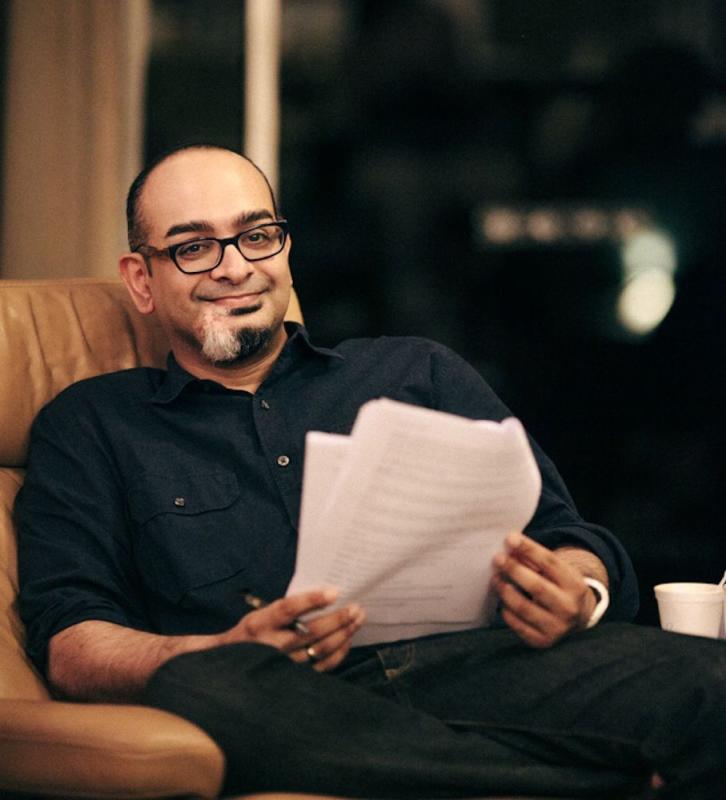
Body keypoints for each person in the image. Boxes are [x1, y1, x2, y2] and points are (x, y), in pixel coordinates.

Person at [16, 145, 724, 800]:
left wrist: (578, 589)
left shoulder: (417, 372)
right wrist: (222, 647)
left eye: (257, 235)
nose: (235, 267)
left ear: (285, 249)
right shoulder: (92, 425)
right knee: (200, 686)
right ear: (142, 280)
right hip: (278, 696)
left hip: (481, 666)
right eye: (195, 247)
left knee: (711, 681)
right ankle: (585, 785)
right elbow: (72, 643)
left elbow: (566, 536)